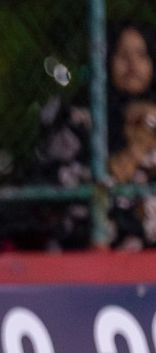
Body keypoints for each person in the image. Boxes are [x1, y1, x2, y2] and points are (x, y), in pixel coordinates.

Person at [28, 22, 156, 251]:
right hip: (87, 240)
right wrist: (134, 150)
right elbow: (57, 181)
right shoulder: (81, 117)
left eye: (141, 54)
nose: (132, 64)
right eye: (121, 54)